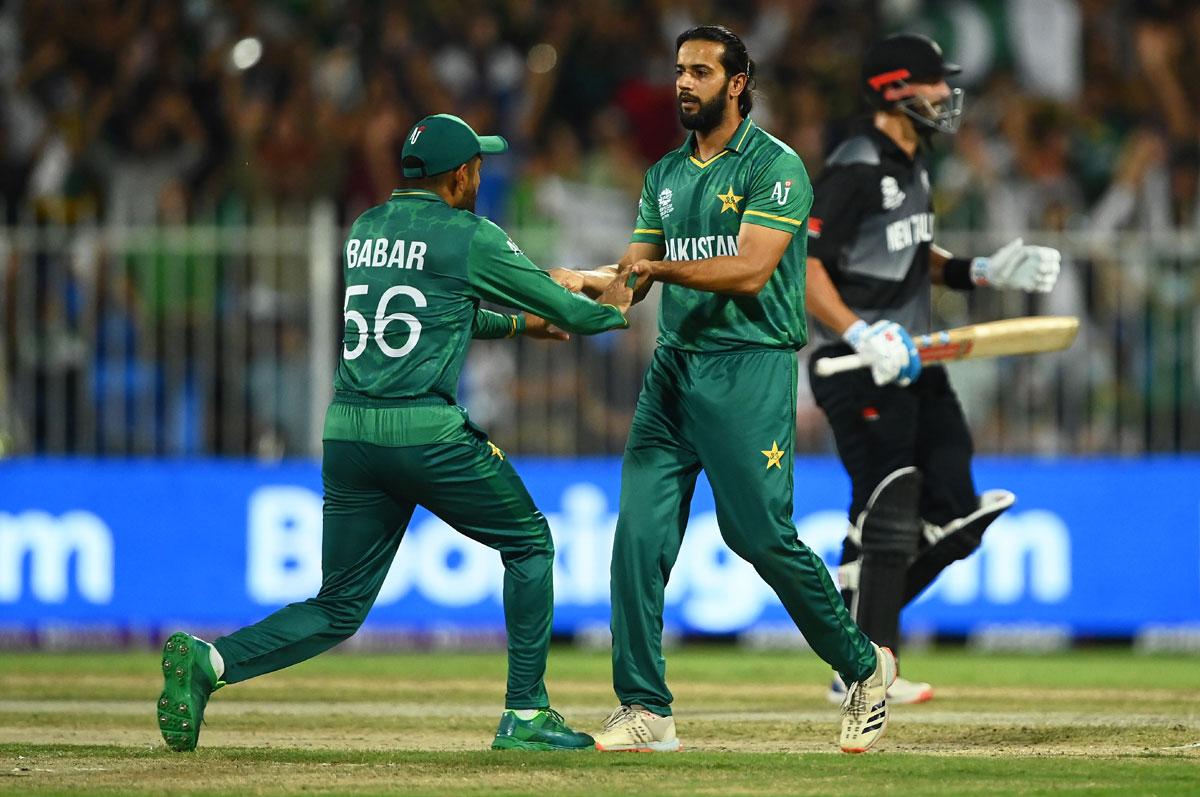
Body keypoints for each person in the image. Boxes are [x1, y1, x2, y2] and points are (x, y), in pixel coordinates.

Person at [156, 113, 635, 753]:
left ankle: (210, 663)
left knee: (338, 607)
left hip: (350, 434)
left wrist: (518, 327)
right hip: (423, 433)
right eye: (478, 166)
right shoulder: (467, 233)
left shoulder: (368, 228)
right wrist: (620, 303)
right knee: (529, 544)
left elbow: (429, 312)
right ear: (461, 175)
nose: (482, 174)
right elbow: (570, 308)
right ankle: (525, 714)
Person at [556, 25, 896, 754]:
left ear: (737, 83)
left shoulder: (776, 168)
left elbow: (747, 271)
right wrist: (573, 289)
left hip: (747, 368)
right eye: (680, 70)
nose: (684, 83)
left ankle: (866, 667)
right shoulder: (664, 176)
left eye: (701, 72)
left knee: (758, 536)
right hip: (673, 370)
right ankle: (645, 706)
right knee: (637, 538)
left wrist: (651, 273)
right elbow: (627, 284)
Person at [803, 34, 1061, 705]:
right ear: (893, 90)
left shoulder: (914, 163)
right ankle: (863, 667)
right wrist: (859, 330)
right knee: (892, 506)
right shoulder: (856, 162)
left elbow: (912, 251)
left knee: (954, 515)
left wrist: (981, 270)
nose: (946, 96)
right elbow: (804, 267)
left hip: (918, 359)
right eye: (932, 84)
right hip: (857, 362)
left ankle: (852, 624)